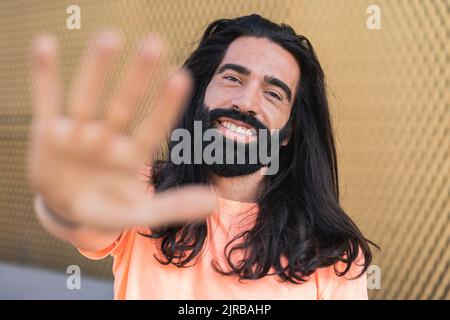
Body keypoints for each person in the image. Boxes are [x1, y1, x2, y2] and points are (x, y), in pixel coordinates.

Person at [29, 14, 377, 299]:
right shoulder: (139, 192)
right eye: (232, 77)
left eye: (273, 94)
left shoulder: (333, 252)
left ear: (289, 133)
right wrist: (65, 200)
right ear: (200, 95)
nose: (246, 102)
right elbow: (83, 221)